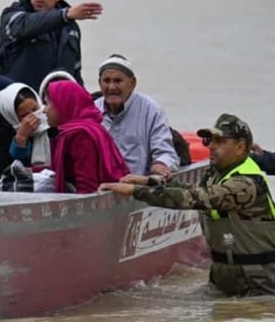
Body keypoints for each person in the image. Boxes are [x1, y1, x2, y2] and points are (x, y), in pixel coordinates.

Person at [101, 114, 275, 296]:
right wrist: (148, 182)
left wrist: (134, 191)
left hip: (260, 283)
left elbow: (193, 198)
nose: (211, 147)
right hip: (224, 278)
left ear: (240, 147)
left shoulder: (246, 183)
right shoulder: (217, 172)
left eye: (220, 141)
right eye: (210, 140)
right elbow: (189, 188)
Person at [0, 0, 103, 92]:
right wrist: (65, 15)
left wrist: (85, 103)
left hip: (56, 106)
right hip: (20, 105)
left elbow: (75, 75)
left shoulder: (71, 28)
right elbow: (27, 25)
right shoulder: (12, 17)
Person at [94, 54, 180, 177]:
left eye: (118, 81)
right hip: (100, 188)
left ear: (132, 83)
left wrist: (160, 164)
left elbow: (167, 154)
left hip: (137, 189)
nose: (111, 87)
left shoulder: (151, 110)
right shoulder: (91, 111)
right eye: (106, 81)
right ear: (99, 83)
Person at [45, 81, 130, 193]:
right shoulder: (82, 129)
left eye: (48, 103)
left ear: (63, 104)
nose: (44, 110)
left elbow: (87, 186)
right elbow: (60, 168)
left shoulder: (80, 135)